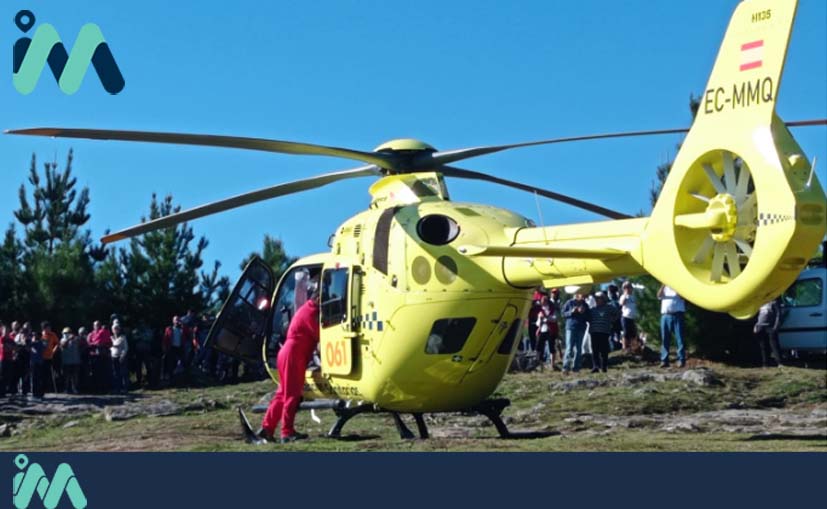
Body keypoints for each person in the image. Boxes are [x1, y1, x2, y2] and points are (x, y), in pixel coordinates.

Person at [259, 291, 321, 443]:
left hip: (287, 352)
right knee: (292, 394)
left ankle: (267, 428)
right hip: (294, 354)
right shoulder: (312, 312)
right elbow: (321, 335)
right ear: (318, 298)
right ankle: (287, 432)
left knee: (282, 394)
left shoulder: (305, 309)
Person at [588, 292, 619, 373]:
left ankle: (604, 367)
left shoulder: (609, 308)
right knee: (595, 350)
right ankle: (595, 366)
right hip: (594, 331)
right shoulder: (592, 309)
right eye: (597, 298)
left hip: (604, 331)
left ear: (603, 299)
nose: (598, 300)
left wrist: (612, 320)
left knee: (604, 350)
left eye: (599, 298)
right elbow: (587, 318)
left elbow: (617, 313)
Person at [562, 288, 590, 374]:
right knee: (569, 347)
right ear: (578, 294)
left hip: (581, 328)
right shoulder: (570, 302)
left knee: (579, 349)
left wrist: (584, 313)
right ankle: (566, 367)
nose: (583, 296)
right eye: (582, 294)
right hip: (571, 327)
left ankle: (576, 368)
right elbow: (563, 313)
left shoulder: (585, 305)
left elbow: (588, 317)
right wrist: (571, 312)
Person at [658, 284, 687, 368]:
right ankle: (664, 360)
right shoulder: (665, 288)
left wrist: (675, 287)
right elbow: (658, 295)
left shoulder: (679, 286)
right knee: (665, 339)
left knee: (679, 338)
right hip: (665, 315)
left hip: (678, 314)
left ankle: (681, 360)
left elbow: (683, 297)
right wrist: (663, 285)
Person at [754, 298, 784, 368]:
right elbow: (758, 315)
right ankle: (765, 363)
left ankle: (780, 363)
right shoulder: (760, 302)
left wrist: (776, 326)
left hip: (770, 326)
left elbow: (778, 315)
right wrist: (756, 325)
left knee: (774, 345)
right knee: (763, 346)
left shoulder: (774, 302)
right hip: (760, 326)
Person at [163, 316, 192, 382]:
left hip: (180, 347)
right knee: (171, 363)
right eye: (176, 320)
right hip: (172, 348)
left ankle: (182, 378)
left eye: (178, 320)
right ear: (173, 321)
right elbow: (165, 339)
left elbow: (189, 335)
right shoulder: (169, 329)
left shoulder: (183, 329)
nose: (177, 321)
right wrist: (165, 347)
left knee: (182, 362)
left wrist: (182, 325)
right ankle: (170, 377)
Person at [535, 294, 558, 370]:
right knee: (539, 346)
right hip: (542, 329)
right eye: (542, 300)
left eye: (545, 300)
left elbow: (554, 319)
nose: (543, 302)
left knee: (551, 347)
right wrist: (541, 320)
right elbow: (538, 323)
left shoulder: (551, 309)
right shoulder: (540, 311)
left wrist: (546, 318)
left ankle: (552, 364)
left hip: (550, 330)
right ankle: (538, 363)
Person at [60, 327, 82, 394]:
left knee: (75, 376)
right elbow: (63, 346)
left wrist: (76, 339)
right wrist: (68, 339)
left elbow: (80, 344)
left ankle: (74, 388)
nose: (67, 334)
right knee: (66, 376)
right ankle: (66, 389)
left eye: (69, 332)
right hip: (66, 362)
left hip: (75, 361)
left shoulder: (75, 339)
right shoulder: (62, 340)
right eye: (66, 333)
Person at [619, 281, 639, 352]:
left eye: (629, 287)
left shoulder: (633, 297)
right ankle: (624, 347)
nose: (628, 289)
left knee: (633, 333)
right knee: (626, 332)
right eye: (626, 287)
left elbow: (636, 305)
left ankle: (633, 348)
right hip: (625, 317)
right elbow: (621, 303)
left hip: (632, 317)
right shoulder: (623, 296)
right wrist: (625, 295)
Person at [40, 321, 60, 393]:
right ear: (44, 328)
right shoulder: (40, 335)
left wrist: (53, 351)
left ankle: (48, 388)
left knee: (49, 373)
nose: (50, 328)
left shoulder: (52, 334)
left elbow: (57, 343)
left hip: (49, 357)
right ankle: (41, 389)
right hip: (41, 357)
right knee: (42, 374)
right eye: (48, 327)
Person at [111, 324, 129, 393]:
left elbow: (126, 348)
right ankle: (117, 388)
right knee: (115, 373)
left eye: (117, 328)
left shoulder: (123, 337)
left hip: (121, 357)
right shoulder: (111, 338)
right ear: (112, 330)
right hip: (113, 357)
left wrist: (122, 356)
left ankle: (125, 388)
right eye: (114, 329)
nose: (116, 330)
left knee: (123, 373)